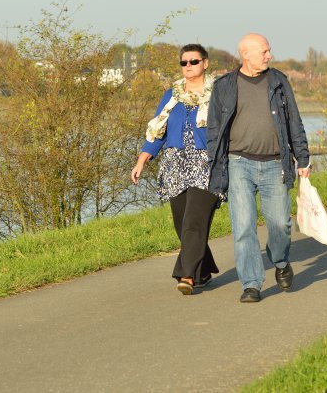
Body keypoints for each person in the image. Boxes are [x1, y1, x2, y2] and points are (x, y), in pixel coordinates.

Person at [207, 33, 310, 303]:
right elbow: (214, 130)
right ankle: (251, 284)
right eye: (264, 51)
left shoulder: (279, 82)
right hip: (239, 163)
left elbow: (294, 121)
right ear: (246, 55)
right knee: (243, 227)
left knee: (280, 224)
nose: (269, 55)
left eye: (268, 51)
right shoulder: (225, 86)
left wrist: (303, 158)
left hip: (276, 163)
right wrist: (214, 163)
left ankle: (280, 261)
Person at [131, 44, 219, 295]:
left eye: (194, 61)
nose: (188, 66)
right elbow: (158, 130)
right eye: (184, 62)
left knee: (194, 221)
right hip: (174, 167)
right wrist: (142, 160)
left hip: (207, 165)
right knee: (182, 224)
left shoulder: (220, 93)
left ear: (205, 63)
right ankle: (203, 271)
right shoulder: (172, 95)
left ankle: (187, 275)